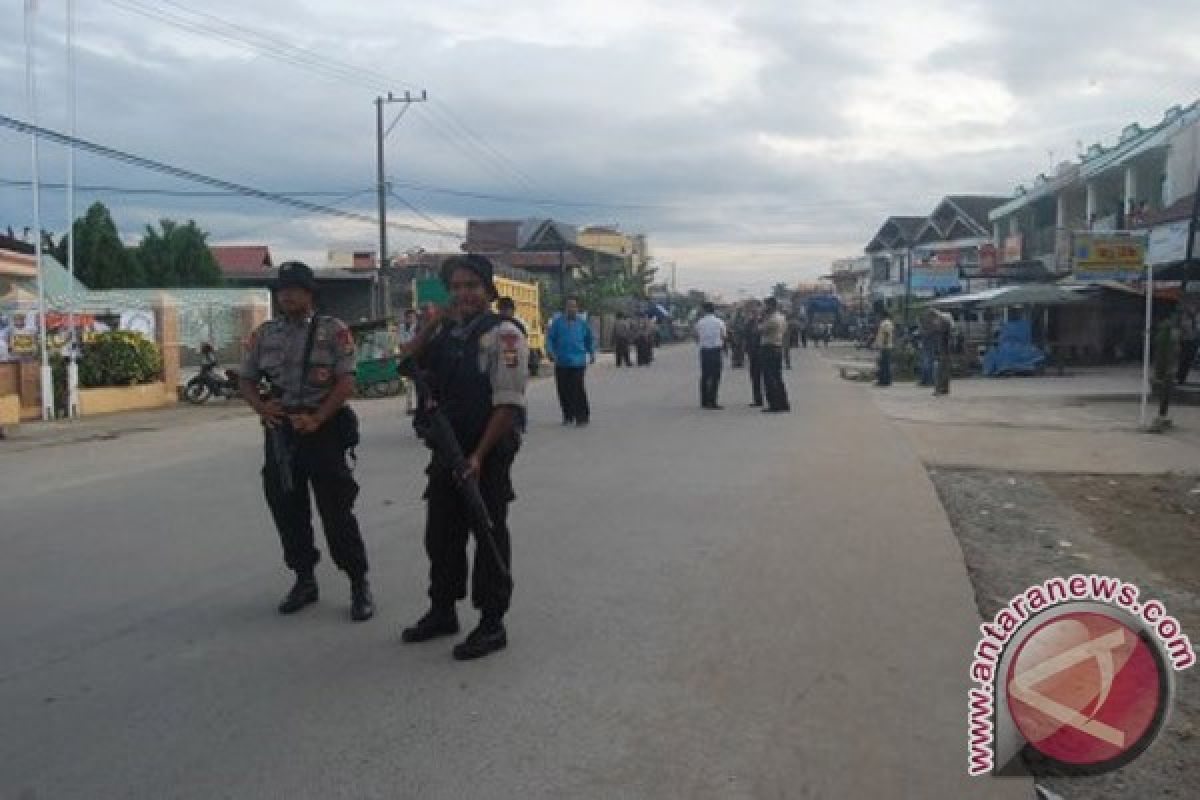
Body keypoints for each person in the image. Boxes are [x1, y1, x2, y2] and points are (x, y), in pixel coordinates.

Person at [239, 261, 374, 621]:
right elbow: (246, 379)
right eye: (281, 289)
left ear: (310, 293)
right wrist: (262, 408)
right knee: (287, 509)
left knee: (336, 512)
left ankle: (359, 582)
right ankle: (304, 578)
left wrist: (317, 418)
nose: (286, 295)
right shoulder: (265, 334)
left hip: (323, 429)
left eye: (294, 289)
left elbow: (346, 382)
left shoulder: (334, 331)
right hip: (282, 432)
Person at [546, 296, 595, 426]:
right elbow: (550, 338)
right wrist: (550, 351)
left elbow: (590, 339)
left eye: (574, 306)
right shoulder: (557, 323)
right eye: (569, 306)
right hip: (562, 362)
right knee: (563, 390)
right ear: (565, 308)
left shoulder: (582, 324)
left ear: (577, 308)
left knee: (577, 388)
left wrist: (592, 352)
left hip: (578, 362)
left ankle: (582, 416)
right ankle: (568, 415)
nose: (571, 309)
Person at [1151, 312, 1182, 431]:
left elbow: (1172, 352)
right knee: (1165, 393)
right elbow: (1168, 353)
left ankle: (1162, 416)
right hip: (1167, 369)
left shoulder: (1168, 334)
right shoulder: (1167, 334)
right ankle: (1161, 416)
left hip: (1167, 368)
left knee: (1165, 394)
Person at [759, 297, 790, 412]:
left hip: (769, 348)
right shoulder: (782, 317)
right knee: (777, 377)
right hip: (777, 347)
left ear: (770, 306)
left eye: (765, 305)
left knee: (769, 378)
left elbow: (759, 330)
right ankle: (783, 403)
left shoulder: (771, 320)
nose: (763, 308)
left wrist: (761, 317)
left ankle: (774, 404)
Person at [694, 302, 726, 409]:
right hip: (716, 351)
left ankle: (704, 401)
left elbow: (696, 337)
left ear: (704, 310)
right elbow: (723, 336)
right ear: (714, 310)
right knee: (715, 376)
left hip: (705, 351)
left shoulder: (700, 322)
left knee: (705, 376)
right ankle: (712, 401)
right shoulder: (719, 322)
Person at [927, 309, 954, 396]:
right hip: (946, 349)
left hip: (944, 349)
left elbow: (940, 334)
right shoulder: (946, 318)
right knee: (945, 369)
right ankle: (945, 389)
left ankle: (938, 390)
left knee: (940, 370)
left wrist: (933, 329)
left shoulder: (942, 320)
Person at [745, 305, 764, 406]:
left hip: (763, 352)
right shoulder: (749, 323)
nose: (755, 314)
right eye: (753, 312)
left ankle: (768, 397)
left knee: (766, 377)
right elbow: (746, 336)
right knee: (755, 377)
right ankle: (758, 399)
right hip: (753, 353)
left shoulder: (764, 322)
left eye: (756, 312)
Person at [1177, 302, 1197, 386]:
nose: (1193, 310)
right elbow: (1184, 329)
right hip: (1186, 342)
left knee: (1188, 361)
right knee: (1184, 360)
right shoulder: (1185, 319)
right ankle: (1180, 377)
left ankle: (1182, 377)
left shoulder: (1195, 319)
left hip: (1193, 342)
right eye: (1192, 308)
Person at [875, 310, 894, 387]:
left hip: (885, 346)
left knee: (885, 365)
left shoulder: (886, 323)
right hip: (885, 346)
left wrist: (884, 344)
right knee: (884, 364)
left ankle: (885, 380)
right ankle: (884, 380)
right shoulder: (887, 323)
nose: (879, 317)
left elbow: (886, 334)